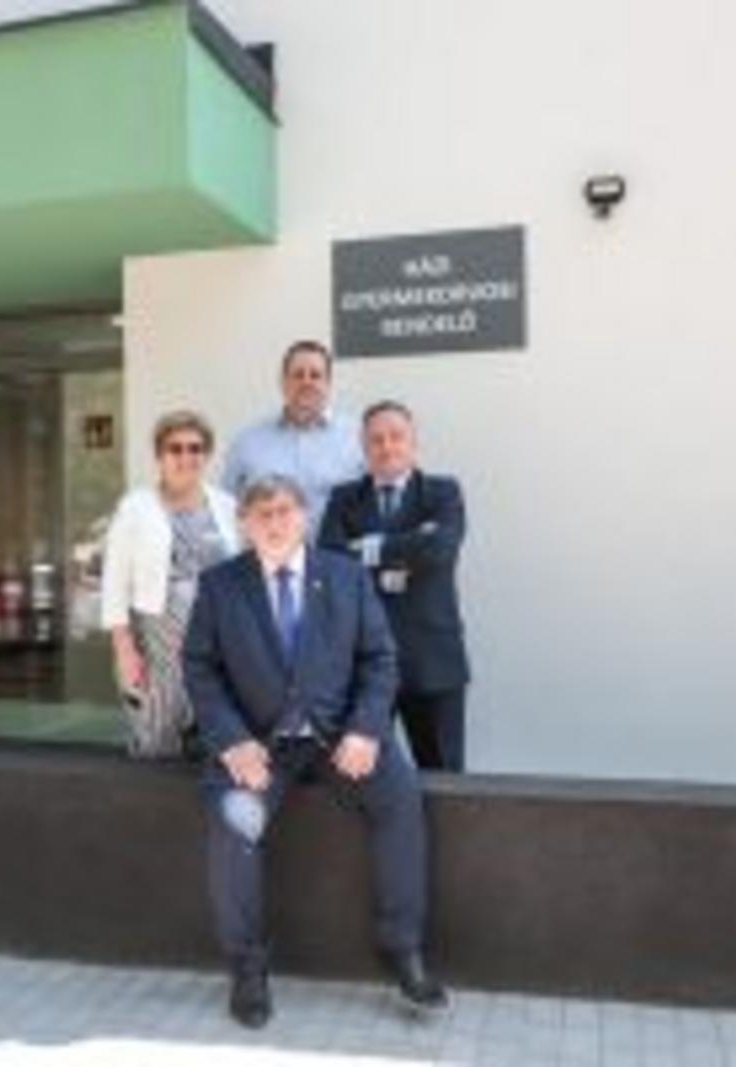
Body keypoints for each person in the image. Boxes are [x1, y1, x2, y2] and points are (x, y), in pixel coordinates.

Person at [184, 473, 447, 1029]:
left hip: (339, 737)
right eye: (262, 514)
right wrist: (232, 740)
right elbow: (200, 669)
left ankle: (404, 949)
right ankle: (247, 967)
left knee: (401, 799)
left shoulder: (346, 577)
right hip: (258, 744)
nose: (275, 523)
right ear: (245, 524)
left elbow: (380, 659)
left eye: (284, 511)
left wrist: (367, 729)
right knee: (235, 822)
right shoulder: (220, 585)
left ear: (303, 517)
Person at [320, 401, 471, 771]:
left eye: (396, 437)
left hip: (433, 661)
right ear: (364, 447)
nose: (387, 447)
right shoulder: (344, 498)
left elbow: (439, 550)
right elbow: (331, 563)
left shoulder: (442, 493)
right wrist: (411, 546)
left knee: (444, 777)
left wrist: (369, 548)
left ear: (413, 443)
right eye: (376, 440)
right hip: (364, 662)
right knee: (359, 775)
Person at [101, 410, 239, 758]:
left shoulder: (226, 506)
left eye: (195, 448)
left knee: (215, 739)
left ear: (207, 454)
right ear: (159, 455)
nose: (185, 457)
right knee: (157, 738)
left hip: (217, 646)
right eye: (174, 448)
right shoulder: (136, 507)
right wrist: (124, 650)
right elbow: (114, 582)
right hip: (158, 648)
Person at [220, 339, 364, 532]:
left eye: (315, 375)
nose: (306, 382)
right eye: (298, 375)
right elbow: (226, 509)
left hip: (337, 549)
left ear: (328, 383)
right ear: (283, 382)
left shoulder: (358, 438)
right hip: (267, 550)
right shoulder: (247, 442)